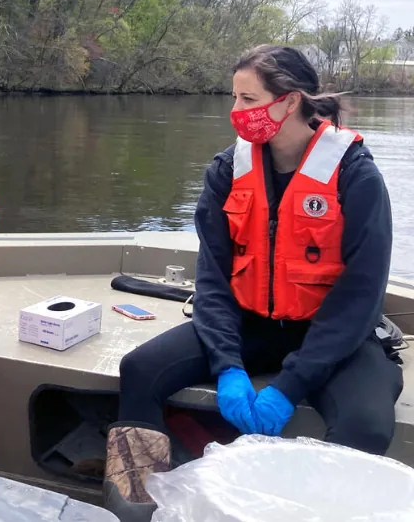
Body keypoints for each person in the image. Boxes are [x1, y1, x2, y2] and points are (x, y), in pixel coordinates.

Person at [103, 45, 402, 521]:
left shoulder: (355, 175)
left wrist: (290, 385)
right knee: (140, 369)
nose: (237, 112)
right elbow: (214, 281)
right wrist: (227, 364)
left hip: (333, 335)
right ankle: (138, 510)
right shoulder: (226, 171)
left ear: (289, 101)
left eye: (248, 99)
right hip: (249, 324)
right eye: (235, 98)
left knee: (365, 425)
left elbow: (360, 295)